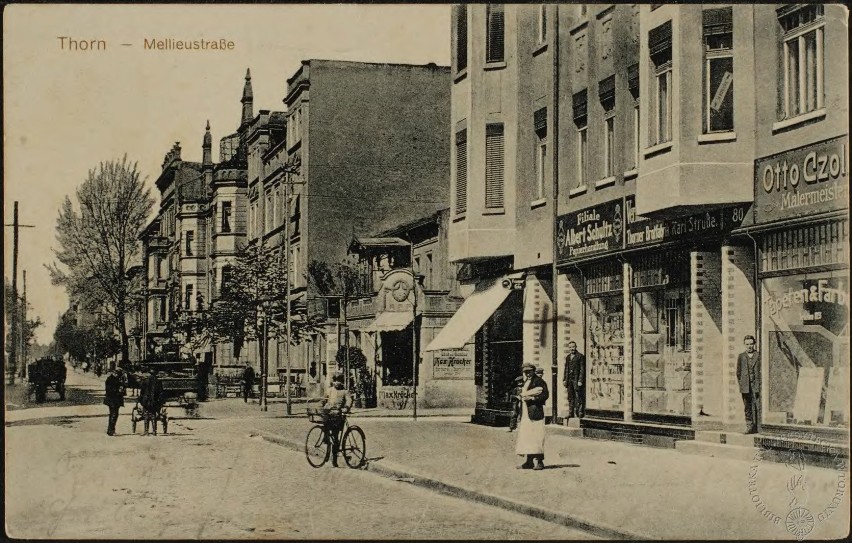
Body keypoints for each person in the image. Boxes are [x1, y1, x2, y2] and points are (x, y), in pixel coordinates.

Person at [515, 363, 549, 471]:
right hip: (526, 412)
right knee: (528, 436)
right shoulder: (526, 382)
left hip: (535, 412)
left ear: (534, 371)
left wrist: (533, 399)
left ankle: (540, 462)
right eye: (525, 372)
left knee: (537, 437)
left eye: (529, 372)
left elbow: (545, 395)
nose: (527, 374)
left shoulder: (539, 381)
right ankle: (529, 461)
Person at [320, 373, 353, 467]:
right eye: (335, 380)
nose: (336, 383)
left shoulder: (345, 391)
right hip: (329, 414)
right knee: (325, 425)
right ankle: (326, 440)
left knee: (335, 437)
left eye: (338, 381)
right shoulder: (330, 390)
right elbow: (324, 399)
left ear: (342, 382)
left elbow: (349, 400)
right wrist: (323, 403)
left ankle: (334, 459)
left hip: (338, 416)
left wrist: (346, 408)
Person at [737, 334, 761, 434]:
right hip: (745, 386)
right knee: (747, 407)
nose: (749, 346)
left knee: (758, 406)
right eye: (747, 344)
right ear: (744, 344)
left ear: (754, 344)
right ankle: (749, 427)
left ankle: (759, 428)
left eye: (751, 344)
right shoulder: (741, 356)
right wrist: (742, 384)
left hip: (756, 385)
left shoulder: (759, 355)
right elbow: (738, 372)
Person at [563, 341, 586, 419]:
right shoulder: (568, 357)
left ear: (576, 347)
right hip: (569, 380)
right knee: (570, 397)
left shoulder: (580, 356)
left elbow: (582, 369)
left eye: (573, 347)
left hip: (576, 380)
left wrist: (580, 380)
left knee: (578, 396)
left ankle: (580, 413)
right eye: (570, 347)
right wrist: (564, 379)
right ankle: (571, 413)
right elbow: (566, 369)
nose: (572, 349)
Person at [139, 369, 165, 435]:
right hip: (154, 401)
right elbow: (161, 393)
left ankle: (146, 431)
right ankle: (154, 431)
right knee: (153, 416)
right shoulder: (158, 381)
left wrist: (141, 400)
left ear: (149, 373)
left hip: (146, 401)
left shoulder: (145, 381)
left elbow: (142, 392)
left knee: (146, 415)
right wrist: (160, 401)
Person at [103, 368, 125, 436]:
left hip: (113, 400)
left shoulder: (114, 379)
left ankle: (110, 430)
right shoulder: (110, 380)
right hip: (112, 400)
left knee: (114, 414)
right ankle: (111, 431)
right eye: (117, 374)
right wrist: (119, 391)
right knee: (114, 414)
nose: (117, 375)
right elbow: (110, 390)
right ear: (114, 373)